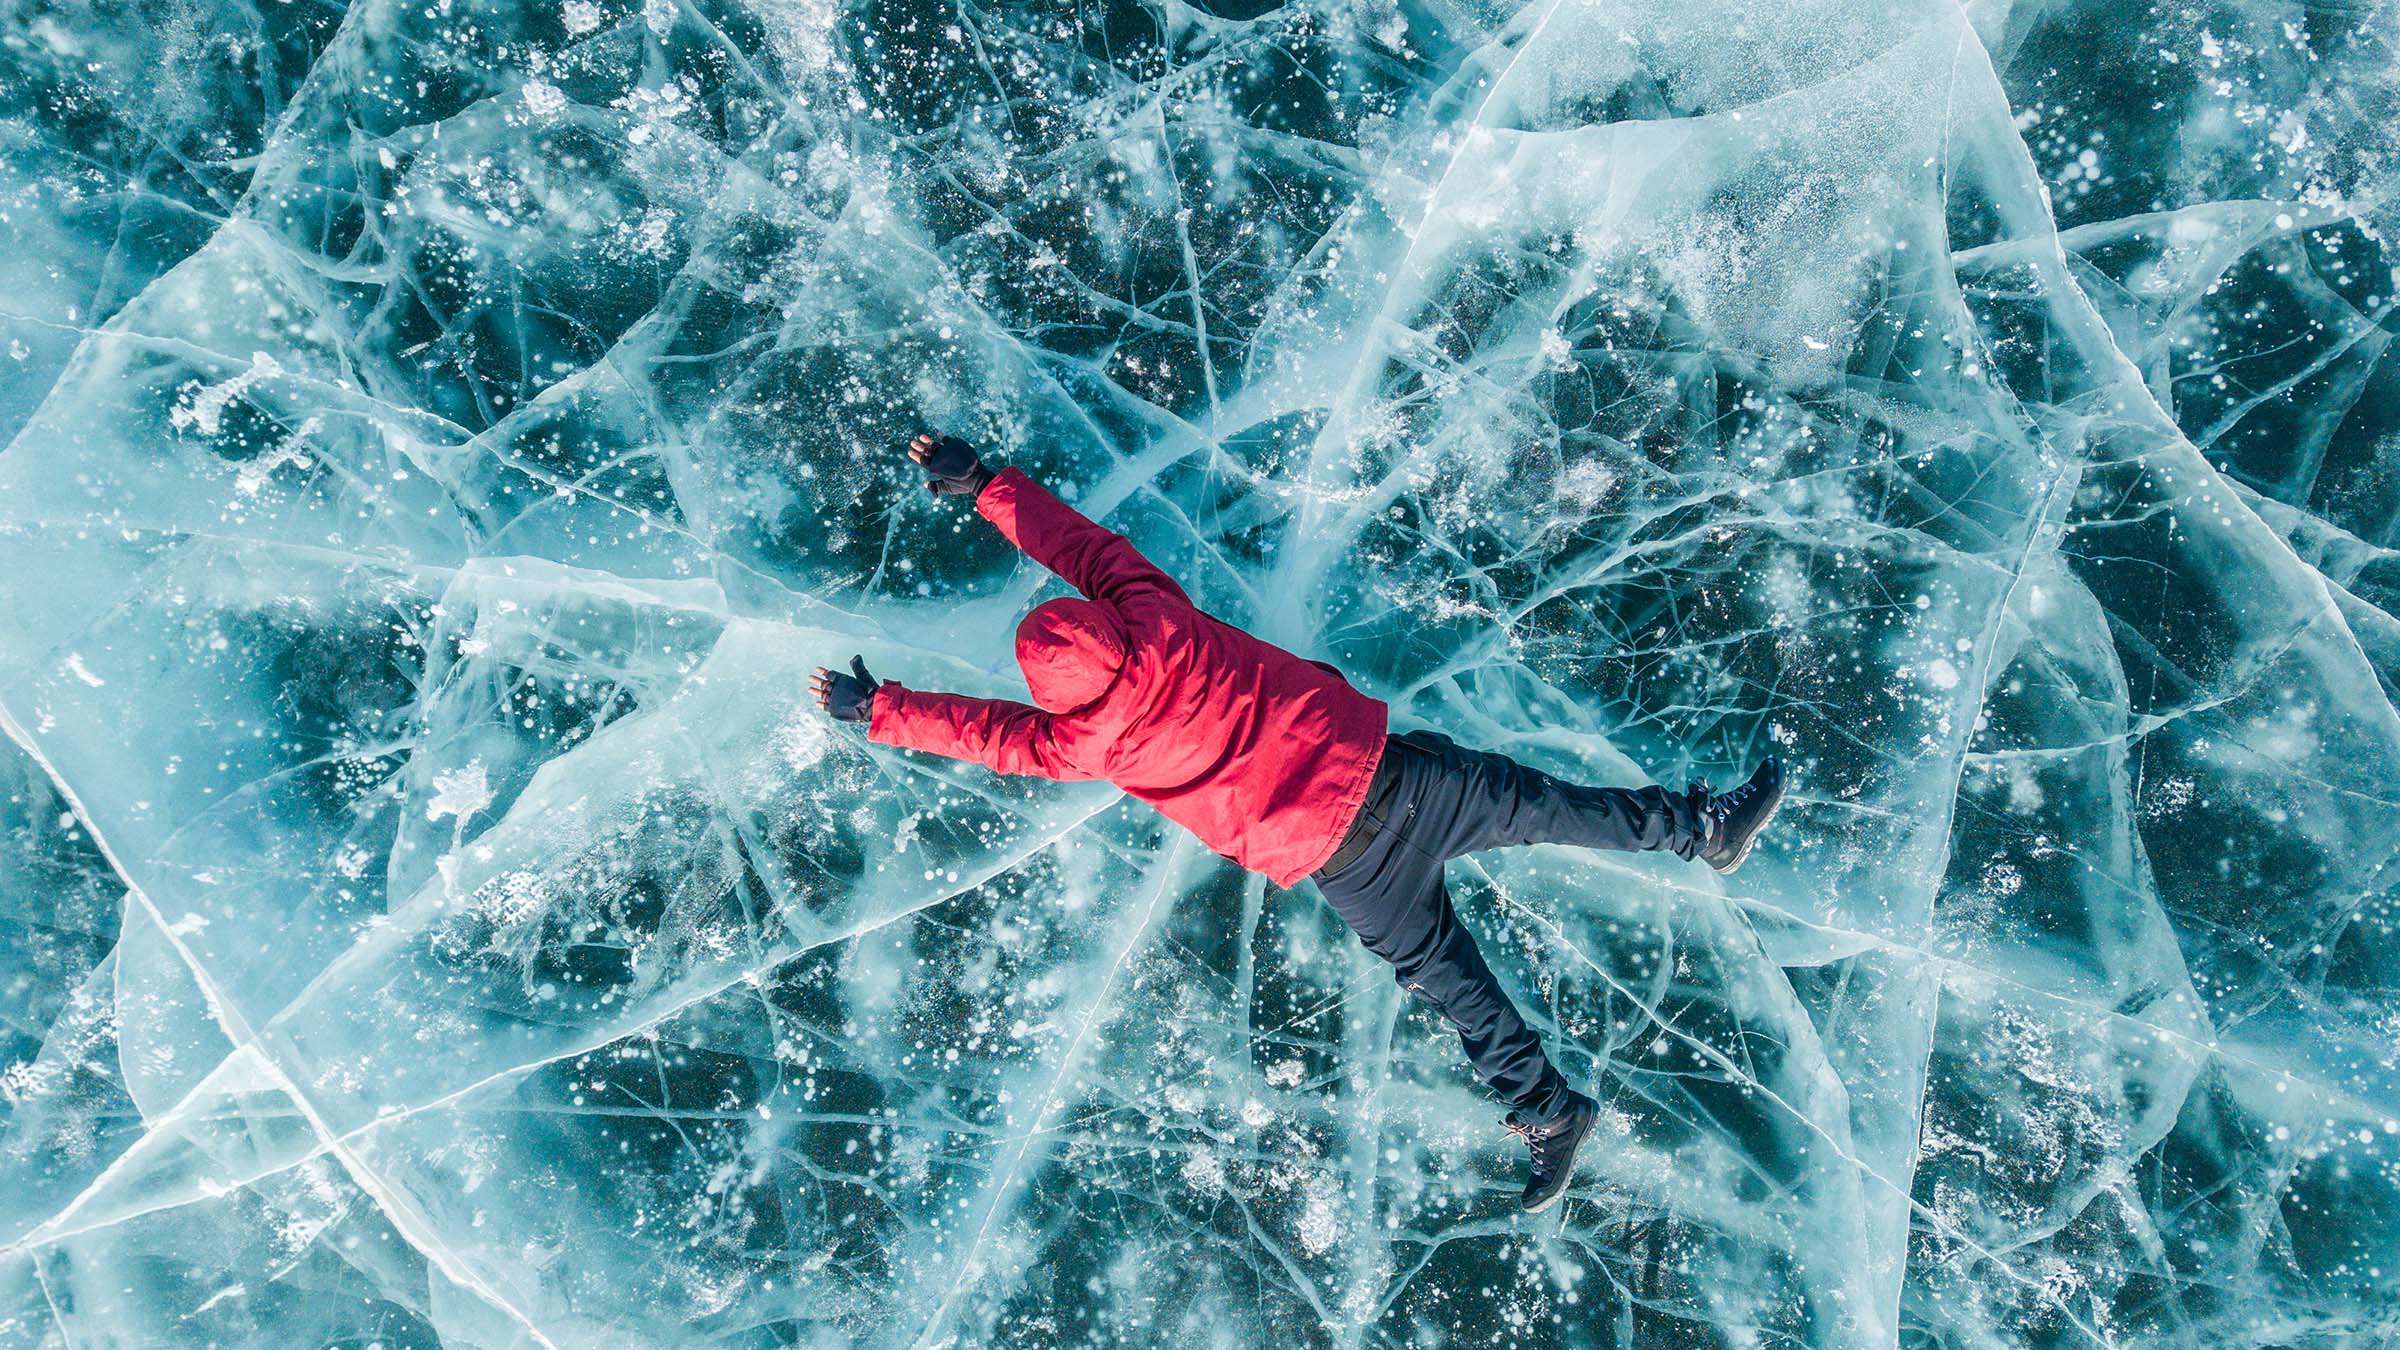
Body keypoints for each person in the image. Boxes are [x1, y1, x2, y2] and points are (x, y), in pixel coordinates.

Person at [812, 433, 1786, 1213]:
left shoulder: (1078, 745)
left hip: (1340, 861)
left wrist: (881, 709)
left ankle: (1549, 1112)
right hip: (1393, 778)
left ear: (1052, 693)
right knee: (1552, 808)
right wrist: (981, 483)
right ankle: (1700, 830)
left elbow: (987, 735)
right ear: (1103, 626)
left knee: (1454, 987)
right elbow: (1082, 548)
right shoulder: (1156, 617)